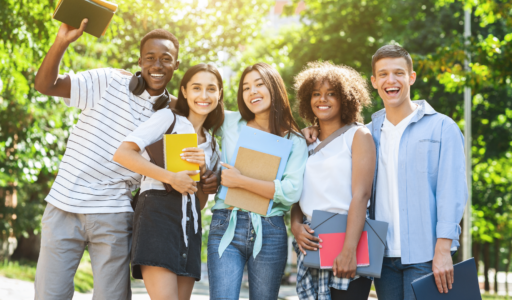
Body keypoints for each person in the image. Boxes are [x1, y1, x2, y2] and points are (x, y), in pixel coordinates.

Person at [32, 19, 191, 299]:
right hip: (64, 204)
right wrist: (62, 41)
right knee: (49, 295)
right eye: (150, 58)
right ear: (140, 61)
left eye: (166, 59)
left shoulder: (172, 115)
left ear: (176, 65)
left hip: (114, 213)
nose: (157, 65)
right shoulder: (107, 81)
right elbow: (46, 85)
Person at [303, 45, 468, 300]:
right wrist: (313, 131)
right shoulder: (367, 133)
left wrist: (444, 249)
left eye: (399, 73)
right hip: (383, 259)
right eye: (383, 74)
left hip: (426, 257)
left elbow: (452, 192)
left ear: (411, 77)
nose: (391, 80)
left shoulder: (442, 128)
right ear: (374, 81)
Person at [113, 63, 223, 300]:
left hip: (189, 225)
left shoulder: (213, 145)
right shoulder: (169, 118)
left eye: (211, 89)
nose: (204, 96)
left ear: (219, 94)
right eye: (196, 88)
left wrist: (203, 171)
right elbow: (123, 153)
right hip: (157, 215)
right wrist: (171, 178)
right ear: (184, 91)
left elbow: (200, 203)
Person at [207, 62, 308, 300]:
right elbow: (195, 108)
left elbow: (291, 192)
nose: (252, 91)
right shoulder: (230, 122)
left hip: (270, 229)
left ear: (274, 88)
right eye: (246, 87)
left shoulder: (295, 140)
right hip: (226, 223)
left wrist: (240, 181)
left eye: (259, 84)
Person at [291, 61, 375, 300]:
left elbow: (361, 196)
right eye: (316, 94)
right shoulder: (304, 141)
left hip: (348, 235)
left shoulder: (358, 135)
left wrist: (349, 250)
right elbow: (296, 188)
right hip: (312, 239)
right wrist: (295, 225)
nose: (322, 99)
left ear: (346, 98)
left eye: (331, 94)